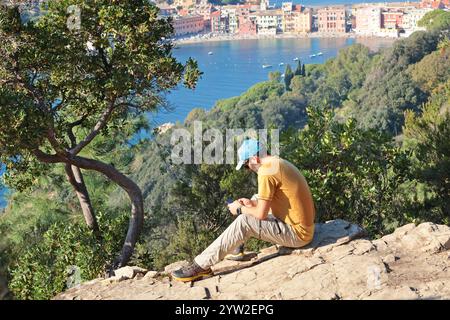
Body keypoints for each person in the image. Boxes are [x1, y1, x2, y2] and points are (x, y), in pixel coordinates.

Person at [171, 138, 316, 282]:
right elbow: (276, 198)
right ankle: (236, 249)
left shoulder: (266, 172)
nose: (249, 169)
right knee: (253, 199)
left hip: (298, 235)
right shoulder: (277, 162)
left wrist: (240, 209)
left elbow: (260, 214)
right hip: (302, 226)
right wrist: (251, 203)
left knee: (244, 220)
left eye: (247, 165)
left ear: (254, 158)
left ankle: (200, 266)